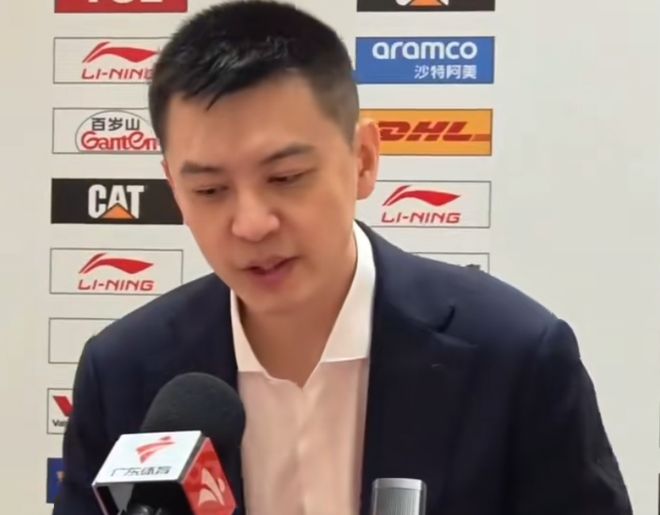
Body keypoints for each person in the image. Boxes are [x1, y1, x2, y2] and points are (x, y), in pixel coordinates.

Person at [53, 1, 633, 514]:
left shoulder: (515, 356)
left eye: (286, 177)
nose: (251, 223)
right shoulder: (124, 373)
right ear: (173, 189)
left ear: (363, 160)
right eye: (209, 190)